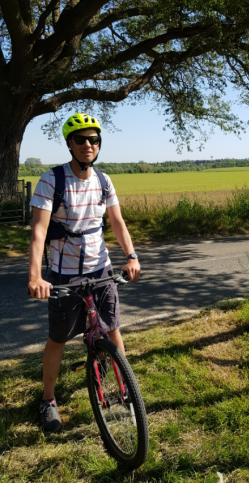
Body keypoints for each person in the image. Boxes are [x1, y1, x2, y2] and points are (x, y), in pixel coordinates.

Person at [28, 113, 140, 432]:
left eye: (93, 139)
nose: (88, 144)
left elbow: (117, 222)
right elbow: (38, 231)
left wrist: (131, 256)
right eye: (81, 139)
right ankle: (48, 400)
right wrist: (36, 276)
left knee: (113, 328)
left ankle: (122, 386)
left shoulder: (104, 181)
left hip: (101, 269)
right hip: (64, 275)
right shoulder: (52, 180)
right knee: (58, 339)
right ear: (70, 143)